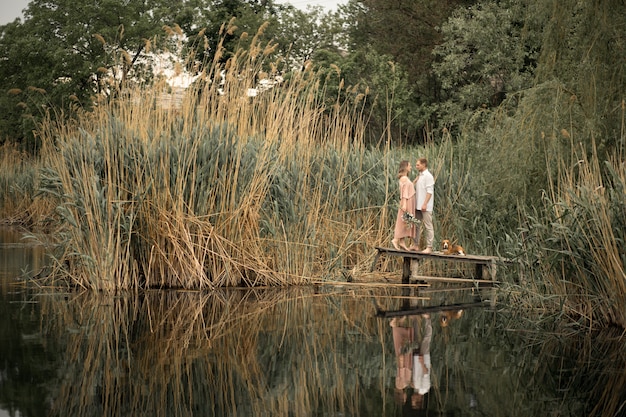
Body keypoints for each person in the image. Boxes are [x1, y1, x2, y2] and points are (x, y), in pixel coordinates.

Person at [410, 158, 434, 254]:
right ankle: (416, 244)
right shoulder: (420, 176)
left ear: (424, 165)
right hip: (418, 205)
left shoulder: (428, 176)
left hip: (425, 206)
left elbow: (430, 191)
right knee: (416, 224)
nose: (416, 166)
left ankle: (429, 246)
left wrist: (425, 203)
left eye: (418, 165)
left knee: (428, 225)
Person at [392, 161, 417, 250]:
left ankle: (402, 242)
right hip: (407, 201)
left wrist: (414, 182)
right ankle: (395, 239)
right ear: (405, 167)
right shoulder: (404, 178)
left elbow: (408, 188)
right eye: (409, 165)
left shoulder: (405, 178)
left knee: (405, 220)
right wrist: (405, 203)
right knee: (403, 221)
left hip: (408, 200)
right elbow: (404, 192)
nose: (411, 167)